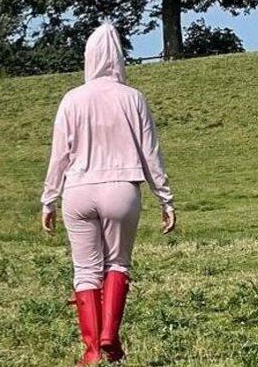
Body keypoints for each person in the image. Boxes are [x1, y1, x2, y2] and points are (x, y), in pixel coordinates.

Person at [41, 22, 176, 365]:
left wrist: (48, 198)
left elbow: (60, 155)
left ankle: (90, 352)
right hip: (122, 188)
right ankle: (109, 338)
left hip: (78, 190)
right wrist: (165, 198)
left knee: (85, 270)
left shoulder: (72, 99)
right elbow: (150, 153)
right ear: (119, 57)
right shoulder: (133, 98)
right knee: (117, 263)